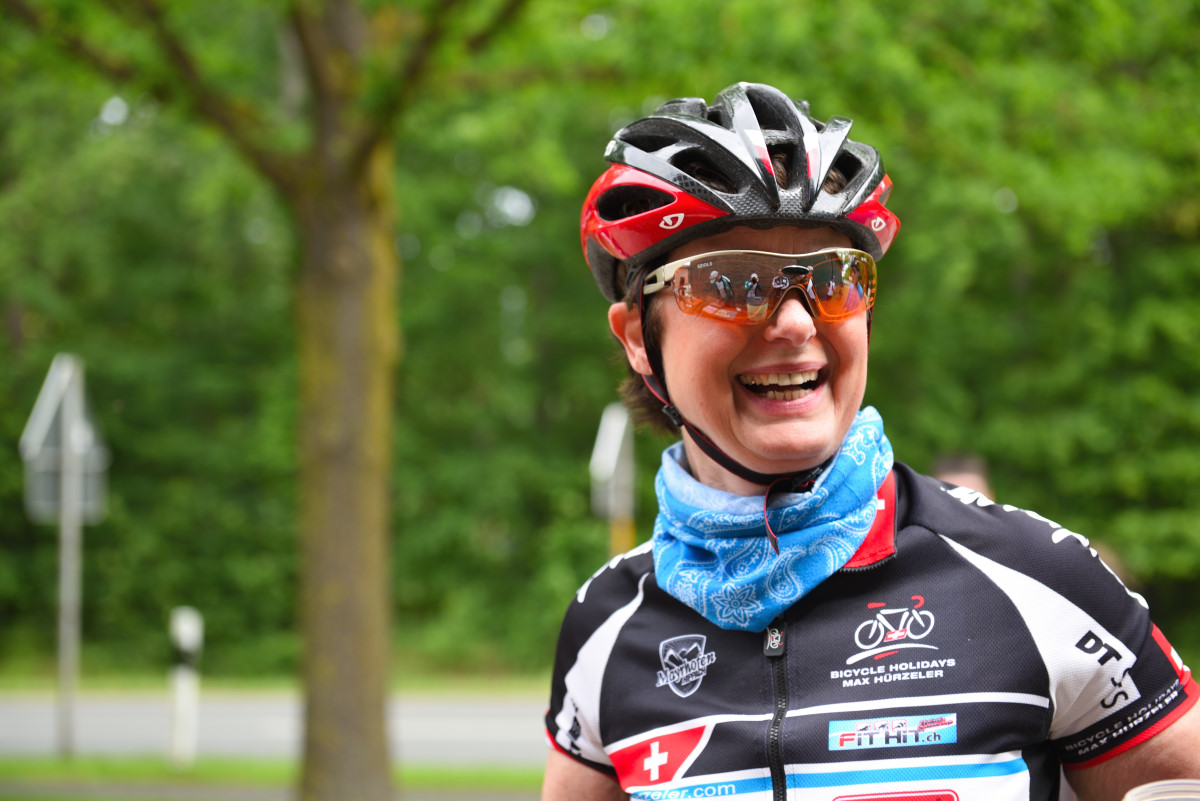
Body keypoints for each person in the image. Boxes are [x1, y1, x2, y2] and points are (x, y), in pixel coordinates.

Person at [543, 82, 1200, 801]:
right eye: (733, 283)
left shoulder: (1037, 577)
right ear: (639, 338)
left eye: (834, 279)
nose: (797, 323)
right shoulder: (605, 627)